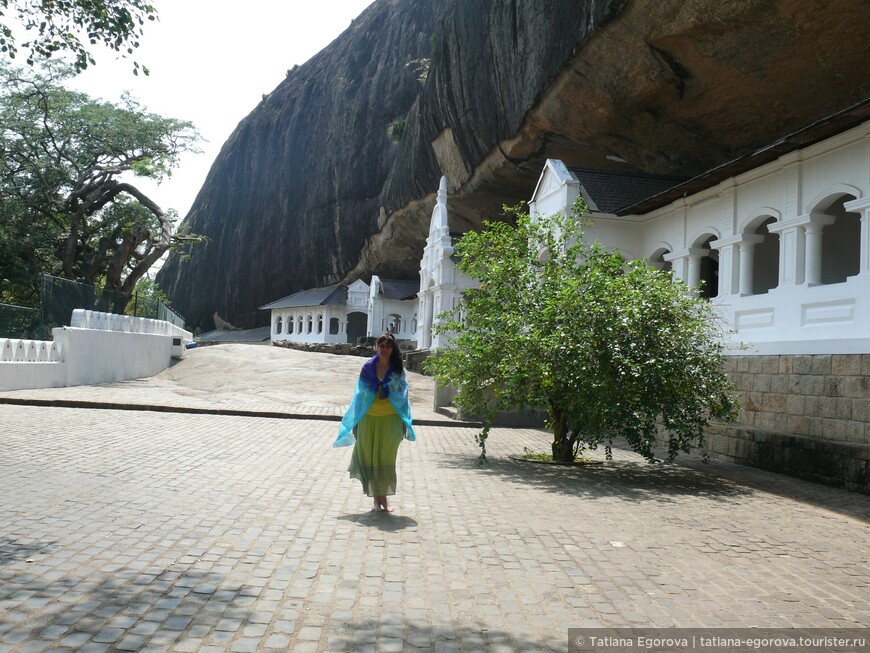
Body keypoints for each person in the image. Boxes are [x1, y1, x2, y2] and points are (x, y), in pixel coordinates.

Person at [334, 332, 416, 512]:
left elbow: (403, 394)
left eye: (388, 346)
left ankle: (384, 499)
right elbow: (359, 394)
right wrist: (356, 420)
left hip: (390, 418)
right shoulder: (368, 368)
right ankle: (375, 500)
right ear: (376, 347)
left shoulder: (397, 369)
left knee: (386, 457)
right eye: (381, 345)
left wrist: (388, 390)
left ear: (393, 349)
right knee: (370, 458)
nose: (384, 349)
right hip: (368, 418)